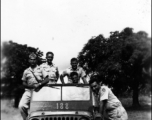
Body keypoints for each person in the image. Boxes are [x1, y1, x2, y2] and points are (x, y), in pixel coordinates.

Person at [18, 53, 49, 120]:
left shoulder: (41, 69)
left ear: (36, 60)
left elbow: (47, 79)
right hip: (29, 91)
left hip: (40, 91)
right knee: (21, 106)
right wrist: (30, 86)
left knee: (43, 108)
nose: (32, 61)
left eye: (34, 60)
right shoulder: (26, 71)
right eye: (31, 60)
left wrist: (39, 84)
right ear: (29, 60)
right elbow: (23, 82)